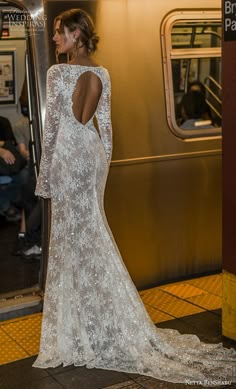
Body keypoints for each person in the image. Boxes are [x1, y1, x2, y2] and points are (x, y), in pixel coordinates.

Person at [33, 8, 236, 384]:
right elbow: (105, 130)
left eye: (60, 33)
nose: (56, 39)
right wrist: (101, 181)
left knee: (68, 245)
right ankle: (105, 325)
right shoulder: (103, 74)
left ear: (76, 35)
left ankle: (74, 333)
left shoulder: (57, 73)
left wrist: (44, 180)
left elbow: (53, 130)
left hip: (66, 158)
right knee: (94, 239)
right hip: (89, 156)